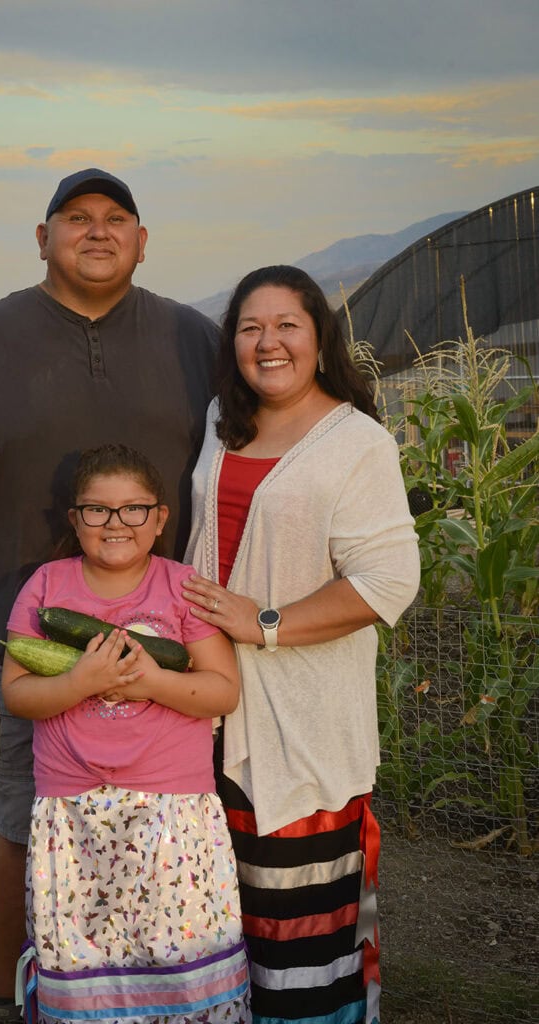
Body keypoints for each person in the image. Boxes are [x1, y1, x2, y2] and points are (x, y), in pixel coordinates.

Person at [0, 168, 219, 1023]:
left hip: (167, 644)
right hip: (21, 643)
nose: (96, 231)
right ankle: (9, 996)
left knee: (162, 834)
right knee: (20, 829)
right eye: (76, 218)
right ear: (43, 238)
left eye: (116, 219)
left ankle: (145, 992)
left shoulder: (193, 338)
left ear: (142, 242)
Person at [181, 265, 421, 1024]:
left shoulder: (355, 441)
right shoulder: (225, 420)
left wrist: (266, 622)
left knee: (301, 934)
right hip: (205, 708)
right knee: (226, 919)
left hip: (301, 723)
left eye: (287, 324)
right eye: (250, 327)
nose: (268, 341)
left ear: (319, 339)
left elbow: (388, 580)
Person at [2, 443, 249, 1024]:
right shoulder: (47, 587)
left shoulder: (181, 587)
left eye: (134, 509)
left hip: (172, 810)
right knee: (91, 957)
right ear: (74, 519)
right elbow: (18, 693)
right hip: (73, 812)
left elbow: (223, 690)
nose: (116, 523)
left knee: (176, 948)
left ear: (161, 518)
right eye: (97, 510)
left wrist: (149, 683)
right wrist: (84, 679)